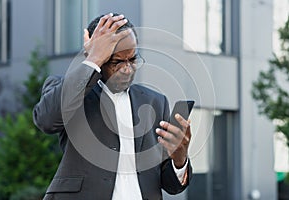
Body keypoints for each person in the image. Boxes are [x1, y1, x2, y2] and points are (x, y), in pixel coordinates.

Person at [33, 13, 193, 200]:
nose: (127, 69)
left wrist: (180, 158)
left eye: (132, 60)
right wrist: (92, 59)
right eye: (117, 62)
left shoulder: (155, 102)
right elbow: (46, 120)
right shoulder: (71, 92)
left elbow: (170, 186)